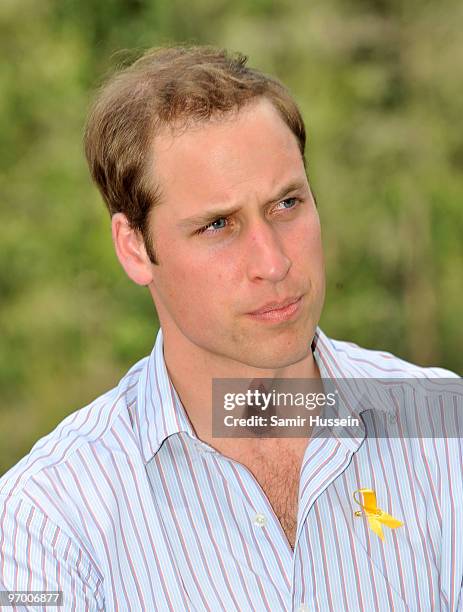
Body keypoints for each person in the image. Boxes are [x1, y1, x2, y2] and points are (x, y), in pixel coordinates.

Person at [0, 45, 461, 611]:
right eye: (218, 224)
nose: (273, 262)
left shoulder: (446, 434)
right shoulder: (50, 520)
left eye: (287, 203)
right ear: (135, 248)